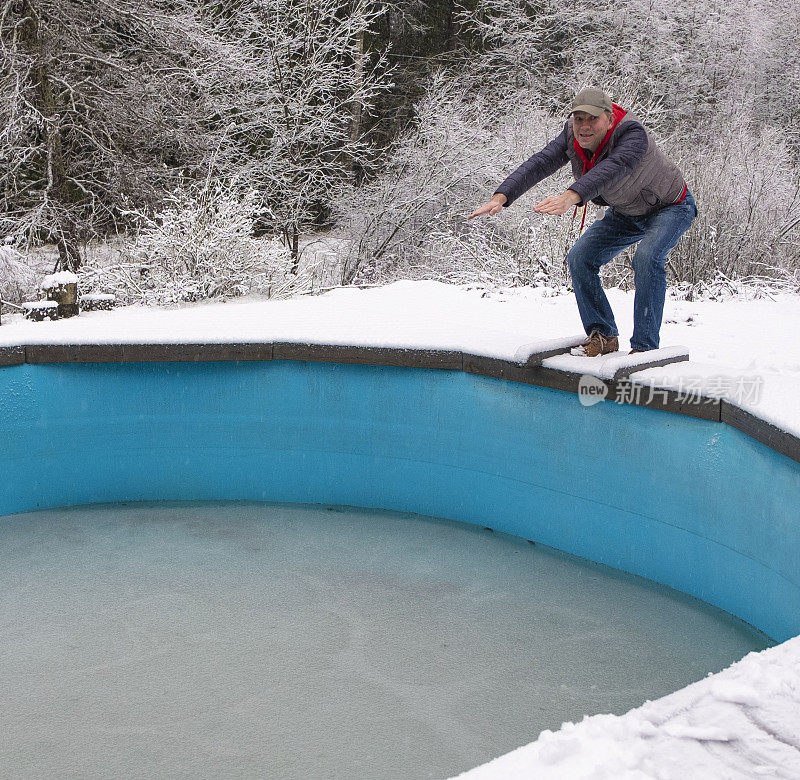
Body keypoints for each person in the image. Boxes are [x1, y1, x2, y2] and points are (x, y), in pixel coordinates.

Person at [469, 87, 697, 356]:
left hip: (670, 206)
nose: (584, 127)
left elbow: (612, 169)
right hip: (626, 212)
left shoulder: (632, 135)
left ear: (609, 119)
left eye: (592, 119)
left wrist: (571, 196)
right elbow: (540, 163)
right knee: (580, 258)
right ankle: (604, 335)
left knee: (647, 258)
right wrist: (502, 196)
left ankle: (645, 347)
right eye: (579, 119)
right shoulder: (571, 136)